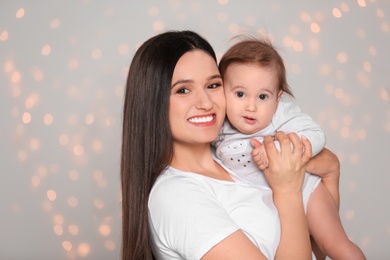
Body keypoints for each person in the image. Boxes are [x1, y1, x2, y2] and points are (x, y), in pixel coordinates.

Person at [121, 30, 341, 260]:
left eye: (213, 85)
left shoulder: (235, 162)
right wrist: (288, 191)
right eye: (183, 90)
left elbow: (312, 249)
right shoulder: (177, 195)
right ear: (152, 103)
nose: (206, 102)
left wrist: (331, 174)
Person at [215, 36, 365, 259]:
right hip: (273, 201)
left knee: (336, 245)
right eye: (240, 94)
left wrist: (276, 149)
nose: (251, 106)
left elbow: (317, 135)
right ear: (222, 91)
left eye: (263, 96)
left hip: (306, 190)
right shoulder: (219, 125)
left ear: (278, 98)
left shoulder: (281, 114)